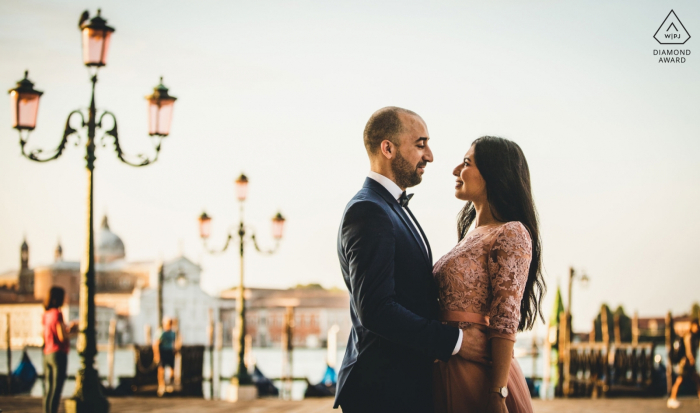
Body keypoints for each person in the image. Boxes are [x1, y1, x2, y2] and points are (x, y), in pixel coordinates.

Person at [335, 107, 489, 413]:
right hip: (384, 390)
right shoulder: (368, 210)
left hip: (404, 385)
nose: (430, 156)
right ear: (388, 148)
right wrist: (456, 341)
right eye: (421, 144)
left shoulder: (391, 206)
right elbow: (376, 310)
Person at [432, 136, 545, 413]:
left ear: (494, 173)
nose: (456, 169)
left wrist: (498, 392)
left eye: (467, 162)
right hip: (447, 364)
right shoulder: (471, 236)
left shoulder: (511, 232)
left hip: (478, 374)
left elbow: (506, 317)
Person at [42, 286, 77, 413]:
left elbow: (49, 334)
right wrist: (76, 332)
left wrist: (68, 329)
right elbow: (62, 337)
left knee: (48, 390)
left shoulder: (46, 315)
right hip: (58, 354)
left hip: (47, 354)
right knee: (57, 390)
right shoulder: (57, 313)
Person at [667, 318, 700, 409]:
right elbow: (688, 348)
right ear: (692, 326)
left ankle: (672, 399)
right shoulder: (689, 336)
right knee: (680, 380)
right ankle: (672, 398)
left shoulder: (694, 336)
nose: (697, 328)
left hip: (689, 363)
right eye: (696, 326)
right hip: (686, 363)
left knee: (697, 380)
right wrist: (691, 358)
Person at [153, 317, 178, 396]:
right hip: (162, 351)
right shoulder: (161, 332)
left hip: (170, 352)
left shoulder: (173, 333)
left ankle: (169, 385)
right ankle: (161, 386)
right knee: (161, 370)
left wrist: (175, 350)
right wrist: (157, 355)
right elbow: (156, 344)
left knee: (172, 370)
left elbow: (174, 342)